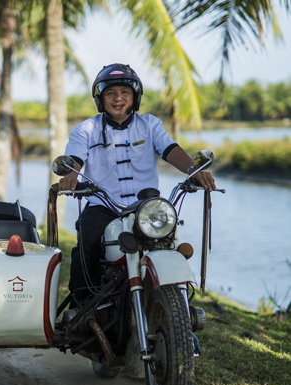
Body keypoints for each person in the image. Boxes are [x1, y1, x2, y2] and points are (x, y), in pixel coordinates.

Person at [58, 63, 216, 307]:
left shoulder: (150, 124)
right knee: (87, 240)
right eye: (111, 93)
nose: (118, 98)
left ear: (135, 97)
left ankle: (176, 301)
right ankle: (81, 307)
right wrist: (70, 176)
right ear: (101, 99)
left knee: (171, 244)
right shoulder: (85, 130)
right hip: (104, 206)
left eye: (125, 92)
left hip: (146, 207)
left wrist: (194, 171)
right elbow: (76, 159)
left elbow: (170, 149)